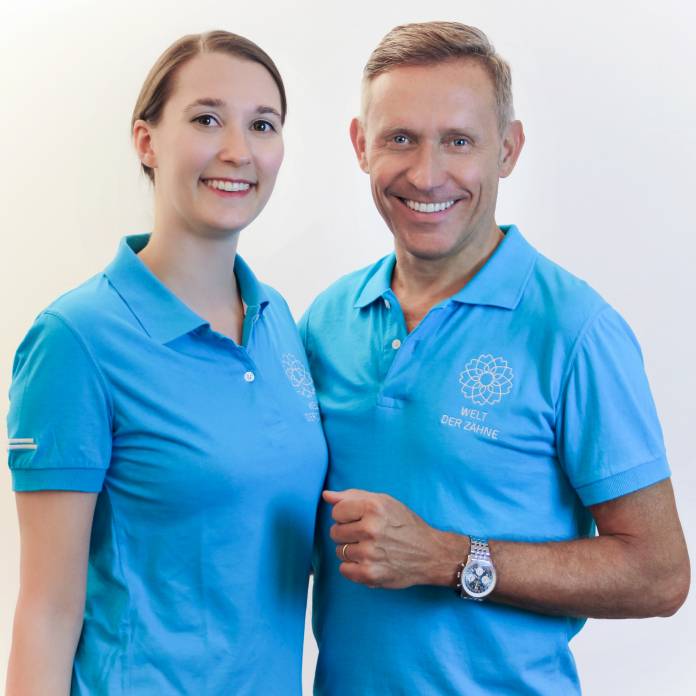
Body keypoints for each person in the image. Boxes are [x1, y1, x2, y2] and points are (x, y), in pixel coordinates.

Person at [300, 21, 690, 695]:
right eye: (400, 138)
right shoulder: (324, 321)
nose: (427, 174)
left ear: (507, 149)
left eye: (459, 141)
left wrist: (448, 558)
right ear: (361, 145)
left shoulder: (576, 331)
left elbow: (659, 575)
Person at [6, 30, 327, 695]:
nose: (238, 150)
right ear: (146, 141)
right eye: (207, 119)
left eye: (262, 124)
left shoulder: (279, 324)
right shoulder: (76, 340)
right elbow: (46, 612)